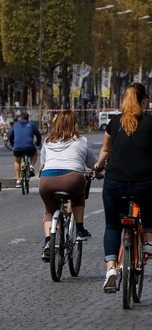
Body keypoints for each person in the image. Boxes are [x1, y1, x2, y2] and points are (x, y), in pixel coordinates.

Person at [93, 83, 152, 294]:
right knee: (150, 206)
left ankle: (111, 269)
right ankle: (148, 241)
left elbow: (105, 150)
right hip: (144, 180)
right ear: (144, 100)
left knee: (112, 226)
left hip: (114, 181)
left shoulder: (114, 122)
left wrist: (98, 168)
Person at [39, 110, 97, 261]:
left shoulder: (47, 141)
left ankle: (48, 242)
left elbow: (42, 164)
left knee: (49, 212)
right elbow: (92, 164)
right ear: (75, 124)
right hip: (72, 179)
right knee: (78, 196)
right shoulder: (81, 141)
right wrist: (99, 172)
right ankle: (79, 229)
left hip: (47, 181)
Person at [8, 112, 42, 188]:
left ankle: (18, 181)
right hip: (29, 146)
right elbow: (38, 135)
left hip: (18, 147)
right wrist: (38, 143)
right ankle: (31, 167)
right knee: (34, 154)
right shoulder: (31, 124)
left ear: (20, 117)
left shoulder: (15, 124)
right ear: (28, 118)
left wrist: (12, 144)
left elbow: (10, 136)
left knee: (17, 161)